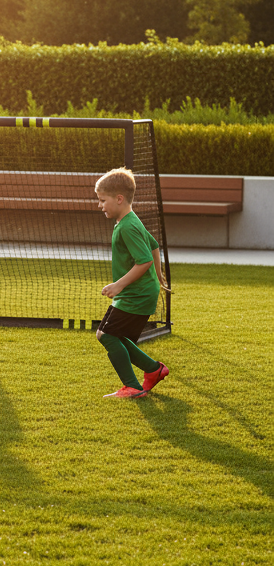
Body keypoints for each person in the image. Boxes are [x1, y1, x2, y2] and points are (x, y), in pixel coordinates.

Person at [94, 167, 171, 398]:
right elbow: (154, 244)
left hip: (136, 294)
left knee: (106, 335)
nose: (100, 205)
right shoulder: (129, 220)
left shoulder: (128, 226)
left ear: (119, 199)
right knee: (114, 335)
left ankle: (133, 387)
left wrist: (119, 285)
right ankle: (153, 370)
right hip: (139, 292)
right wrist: (159, 276)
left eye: (103, 200)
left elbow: (144, 260)